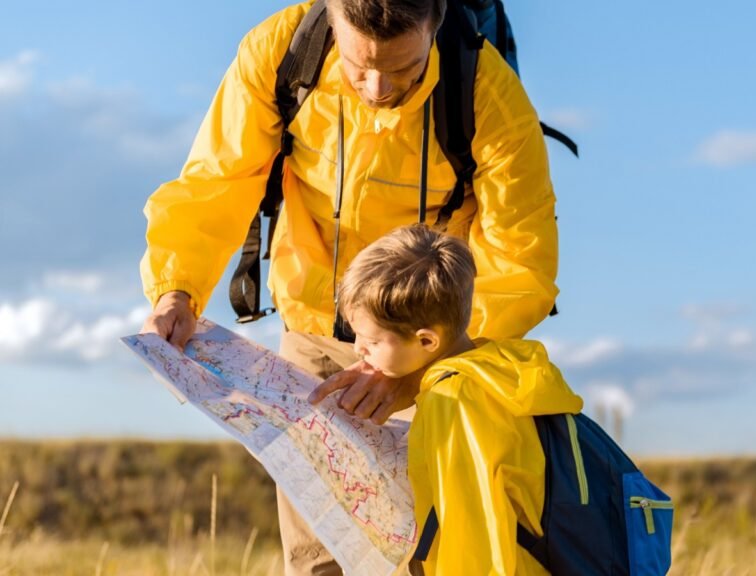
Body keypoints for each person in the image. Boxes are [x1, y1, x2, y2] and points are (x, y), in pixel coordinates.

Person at [139, 0, 558, 573]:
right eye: (359, 67)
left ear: (434, 25)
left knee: (427, 557)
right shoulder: (281, 52)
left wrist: (412, 369)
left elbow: (521, 263)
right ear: (331, 18)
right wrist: (176, 290)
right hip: (312, 335)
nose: (378, 87)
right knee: (319, 562)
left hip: (431, 359)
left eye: (404, 69)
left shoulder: (489, 92)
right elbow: (219, 180)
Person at [316, 224, 581, 575]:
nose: (357, 349)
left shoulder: (453, 401)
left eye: (373, 342)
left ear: (427, 341)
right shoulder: (496, 369)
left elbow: (470, 533)